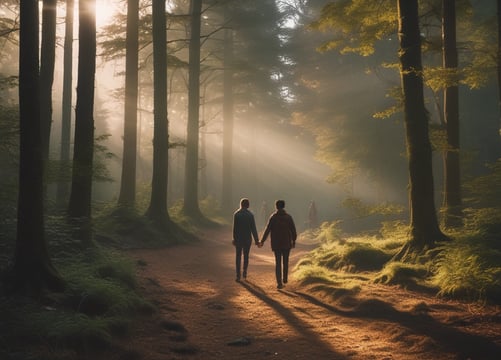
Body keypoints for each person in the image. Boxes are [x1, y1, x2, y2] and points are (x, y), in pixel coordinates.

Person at [259, 200, 297, 289]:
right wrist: (293, 241)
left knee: (278, 262)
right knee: (286, 261)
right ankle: (285, 278)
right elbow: (293, 230)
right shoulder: (288, 217)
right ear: (284, 206)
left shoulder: (273, 217)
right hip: (286, 243)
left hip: (276, 243)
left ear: (276, 206)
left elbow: (267, 230)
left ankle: (279, 282)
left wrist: (262, 241)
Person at [232, 198, 259, 282]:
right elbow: (253, 228)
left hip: (239, 238)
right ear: (248, 205)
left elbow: (235, 228)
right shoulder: (250, 215)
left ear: (241, 204)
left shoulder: (237, 214)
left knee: (238, 256)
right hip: (247, 239)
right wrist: (256, 240)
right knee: (246, 256)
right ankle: (244, 272)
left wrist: (234, 238)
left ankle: (238, 275)